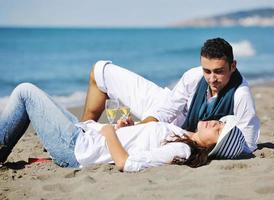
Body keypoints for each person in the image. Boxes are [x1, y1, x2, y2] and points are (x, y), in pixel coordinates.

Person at [0, 83, 245, 172]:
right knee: (33, 96)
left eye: (219, 129)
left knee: (25, 92)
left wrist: (109, 132)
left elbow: (127, 164)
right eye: (221, 120)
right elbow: (139, 147)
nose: (215, 122)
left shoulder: (182, 150)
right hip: (85, 135)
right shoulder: (181, 134)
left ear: (215, 145)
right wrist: (124, 129)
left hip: (78, 148)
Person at [81, 38, 260, 155]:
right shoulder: (193, 76)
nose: (212, 78)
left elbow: (248, 145)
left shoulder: (241, 94)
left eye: (219, 72)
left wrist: (212, 148)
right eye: (207, 71)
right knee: (100, 71)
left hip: (184, 137)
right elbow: (167, 109)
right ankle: (82, 133)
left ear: (233, 66)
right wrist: (140, 127)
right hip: (168, 111)